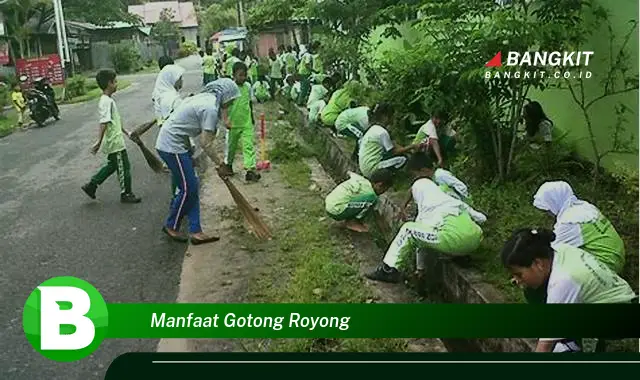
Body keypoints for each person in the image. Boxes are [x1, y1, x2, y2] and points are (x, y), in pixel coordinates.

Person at [501, 228, 637, 352]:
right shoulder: (555, 250)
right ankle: (570, 340)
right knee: (533, 291)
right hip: (605, 298)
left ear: (538, 263)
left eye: (519, 274)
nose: (516, 280)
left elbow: (545, 347)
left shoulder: (563, 281)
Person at [365, 154, 486, 283]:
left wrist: (420, 268)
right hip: (476, 239)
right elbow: (482, 218)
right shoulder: (453, 201)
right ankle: (462, 255)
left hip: (454, 241)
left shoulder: (427, 210)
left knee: (408, 229)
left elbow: (419, 241)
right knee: (450, 231)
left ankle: (388, 270)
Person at [155, 78, 241, 244]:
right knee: (189, 188)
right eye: (231, 100)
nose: (230, 104)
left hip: (179, 144)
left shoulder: (206, 99)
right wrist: (220, 164)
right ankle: (171, 225)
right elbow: (206, 143)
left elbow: (185, 126)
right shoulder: (210, 108)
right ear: (225, 95)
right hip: (171, 146)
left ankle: (196, 231)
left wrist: (191, 152)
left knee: (191, 188)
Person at [533, 181, 626, 274]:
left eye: (547, 209)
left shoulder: (570, 221)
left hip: (605, 265)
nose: (547, 213)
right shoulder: (585, 207)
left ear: (554, 202)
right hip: (615, 257)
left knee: (554, 265)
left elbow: (551, 250)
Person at [82, 69, 141, 204]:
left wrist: (127, 132)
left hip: (116, 139)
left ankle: (91, 185)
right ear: (109, 83)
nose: (117, 84)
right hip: (115, 142)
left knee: (113, 165)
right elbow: (104, 122)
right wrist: (98, 141)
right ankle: (126, 193)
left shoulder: (108, 100)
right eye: (115, 82)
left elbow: (115, 122)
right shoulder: (105, 102)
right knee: (124, 167)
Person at [219, 62, 261, 182]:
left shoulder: (248, 86)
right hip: (232, 124)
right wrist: (225, 120)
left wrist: (252, 117)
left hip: (246, 122)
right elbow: (224, 106)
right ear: (233, 75)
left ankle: (250, 170)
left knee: (248, 145)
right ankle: (228, 165)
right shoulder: (229, 88)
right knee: (231, 147)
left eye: (245, 75)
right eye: (240, 75)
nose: (243, 78)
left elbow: (249, 103)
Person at [358, 103, 419, 179]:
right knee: (403, 159)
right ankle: (386, 177)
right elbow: (394, 152)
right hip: (372, 169)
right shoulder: (382, 132)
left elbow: (394, 144)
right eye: (392, 116)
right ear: (385, 117)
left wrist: (409, 150)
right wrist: (412, 146)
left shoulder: (374, 128)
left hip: (365, 167)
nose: (393, 119)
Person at [325, 168, 394, 233]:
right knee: (372, 200)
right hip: (336, 211)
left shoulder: (361, 180)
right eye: (384, 189)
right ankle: (352, 223)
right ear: (379, 185)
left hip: (329, 203)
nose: (383, 192)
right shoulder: (370, 194)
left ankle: (351, 221)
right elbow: (364, 209)